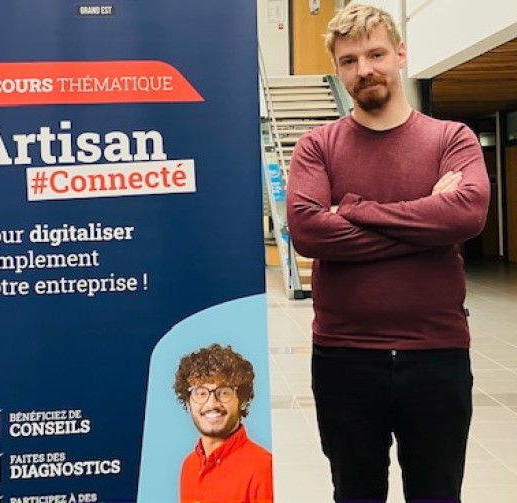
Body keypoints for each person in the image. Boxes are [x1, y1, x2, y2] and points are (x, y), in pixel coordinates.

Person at [286, 3, 490, 503]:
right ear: (338, 69)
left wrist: (354, 210)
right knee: (355, 494)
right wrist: (427, 221)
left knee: (437, 494)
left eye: (375, 54)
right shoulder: (317, 146)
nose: (364, 69)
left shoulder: (451, 138)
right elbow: (308, 232)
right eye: (349, 60)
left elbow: (466, 215)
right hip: (344, 358)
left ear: (400, 53)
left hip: (436, 355)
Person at [173, 343, 273, 503]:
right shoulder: (189, 466)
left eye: (224, 392)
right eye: (200, 393)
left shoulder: (263, 469)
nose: (212, 404)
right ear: (188, 403)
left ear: (242, 401)